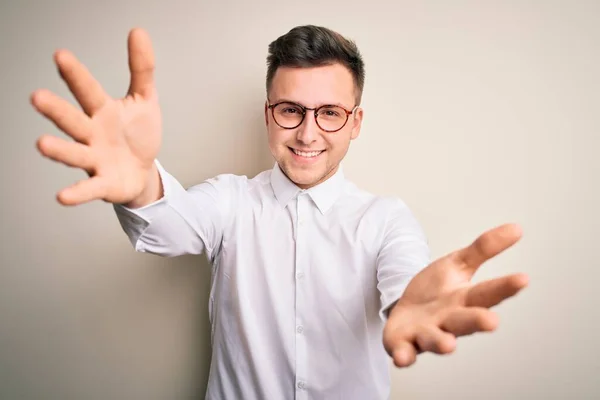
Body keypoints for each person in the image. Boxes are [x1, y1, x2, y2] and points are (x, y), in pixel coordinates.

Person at [32, 25, 529, 399]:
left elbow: (407, 283)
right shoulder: (230, 201)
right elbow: (164, 228)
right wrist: (139, 183)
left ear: (355, 122)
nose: (308, 134)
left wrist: (408, 310)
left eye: (329, 113)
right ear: (268, 112)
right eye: (290, 109)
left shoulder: (385, 220)